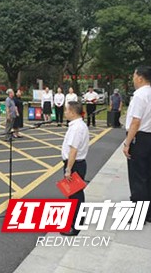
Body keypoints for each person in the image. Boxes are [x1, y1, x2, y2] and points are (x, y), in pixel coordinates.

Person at [122, 66, 151, 224]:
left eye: (134, 76)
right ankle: (149, 213)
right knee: (149, 176)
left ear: (140, 77)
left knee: (137, 177)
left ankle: (138, 215)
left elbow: (136, 121)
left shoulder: (139, 96)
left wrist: (127, 143)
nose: (133, 79)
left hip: (139, 138)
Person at [60, 101, 90, 237]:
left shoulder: (76, 128)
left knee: (75, 197)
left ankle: (74, 226)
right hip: (77, 164)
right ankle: (76, 221)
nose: (65, 112)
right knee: (75, 195)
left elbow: (73, 150)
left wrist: (68, 170)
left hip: (74, 165)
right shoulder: (78, 125)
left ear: (72, 112)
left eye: (66, 110)